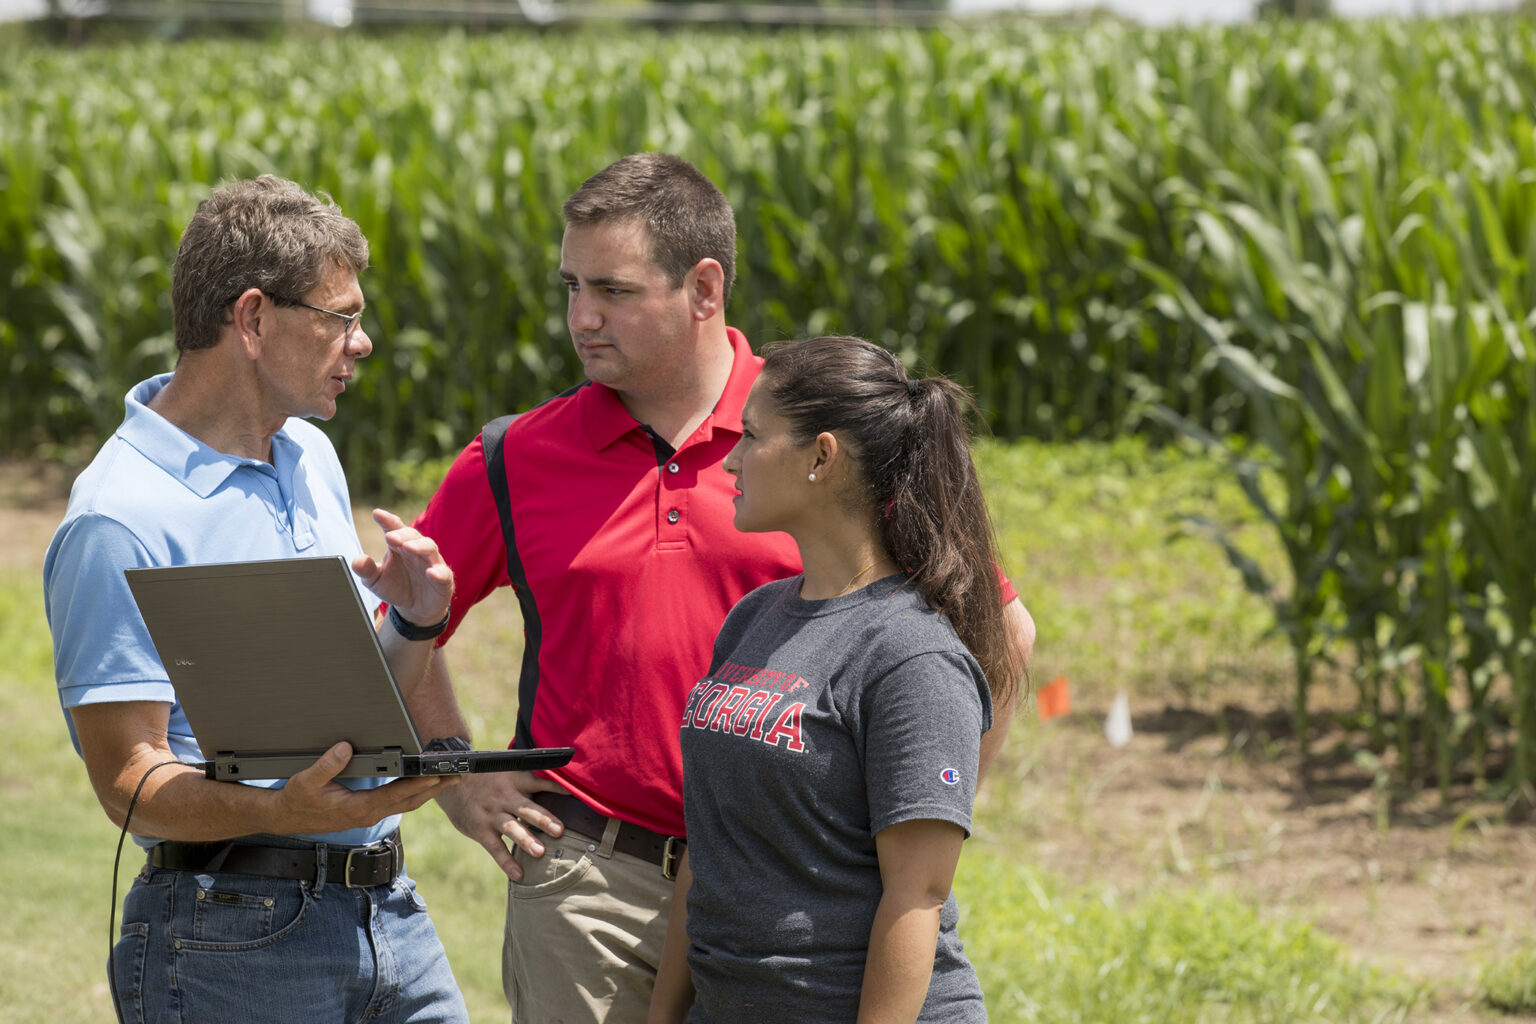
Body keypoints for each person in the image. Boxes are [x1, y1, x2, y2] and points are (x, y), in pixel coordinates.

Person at [407, 153, 1034, 1024]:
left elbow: (1000, 632)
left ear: (705, 288)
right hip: (588, 883)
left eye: (614, 291)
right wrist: (456, 773)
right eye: (570, 286)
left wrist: (914, 818)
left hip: (796, 894)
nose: (580, 317)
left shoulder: (818, 430)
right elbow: (402, 625)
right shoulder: (513, 456)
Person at [43, 175, 471, 1024]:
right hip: (230, 943)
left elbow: (338, 707)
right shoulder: (117, 516)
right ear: (253, 319)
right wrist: (282, 811)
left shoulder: (309, 455)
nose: (364, 342)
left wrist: (416, 621)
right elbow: (127, 782)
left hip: (390, 915)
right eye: (342, 317)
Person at [648, 335, 1021, 1023]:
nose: (728, 459)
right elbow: (709, 847)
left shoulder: (912, 655)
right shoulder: (753, 618)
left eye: (752, 436)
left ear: (822, 456)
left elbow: (918, 896)